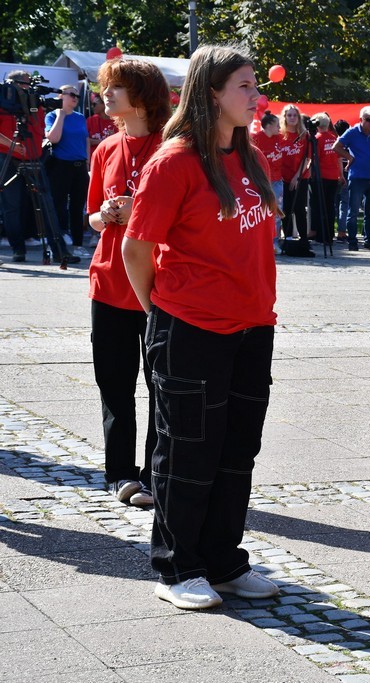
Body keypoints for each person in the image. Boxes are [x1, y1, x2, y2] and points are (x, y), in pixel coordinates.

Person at [121, 44, 280, 610]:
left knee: (238, 450)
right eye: (244, 84)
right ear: (211, 91)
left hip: (252, 328)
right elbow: (135, 249)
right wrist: (158, 314)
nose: (255, 94)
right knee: (188, 451)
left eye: (254, 83)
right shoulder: (175, 161)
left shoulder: (249, 154)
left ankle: (223, 560)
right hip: (190, 329)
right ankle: (177, 566)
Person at [87, 57, 171, 509]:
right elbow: (92, 218)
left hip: (159, 284)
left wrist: (136, 205)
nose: (107, 94)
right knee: (115, 384)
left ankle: (156, 474)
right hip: (108, 283)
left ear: (142, 95)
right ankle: (119, 473)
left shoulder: (169, 148)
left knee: (162, 384)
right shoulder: (104, 149)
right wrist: (109, 214)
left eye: (116, 87)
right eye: (107, 86)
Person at [0, 70, 47, 263]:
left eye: (28, 83)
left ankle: (53, 247)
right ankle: (18, 248)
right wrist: (12, 145)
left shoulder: (34, 102)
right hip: (6, 156)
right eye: (22, 83)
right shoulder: (2, 102)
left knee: (40, 200)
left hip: (32, 156)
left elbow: (40, 129)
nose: (26, 87)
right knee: (12, 205)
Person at [45, 84, 90, 257]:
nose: (75, 98)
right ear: (60, 96)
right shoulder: (52, 115)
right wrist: (61, 115)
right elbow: (53, 138)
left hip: (79, 166)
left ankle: (78, 244)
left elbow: (85, 139)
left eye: (77, 96)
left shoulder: (80, 117)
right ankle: (56, 243)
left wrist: (87, 161)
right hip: (60, 166)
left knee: (78, 207)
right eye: (71, 94)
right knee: (58, 206)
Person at [338, 105, 370, 251]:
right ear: (361, 119)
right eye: (368, 120)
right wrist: (349, 157)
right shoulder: (351, 132)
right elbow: (336, 147)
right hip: (357, 177)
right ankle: (352, 241)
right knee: (353, 212)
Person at [279, 103, 314, 256]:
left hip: (300, 178)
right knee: (285, 210)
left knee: (300, 210)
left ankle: (303, 240)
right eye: (289, 115)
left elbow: (308, 159)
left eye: (295, 115)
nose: (292, 118)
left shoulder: (305, 135)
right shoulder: (279, 135)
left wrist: (296, 177)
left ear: (298, 118)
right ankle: (286, 240)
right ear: (285, 117)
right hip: (282, 179)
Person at [251, 111, 284, 252]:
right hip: (261, 182)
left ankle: (274, 243)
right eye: (277, 124)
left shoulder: (280, 138)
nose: (280, 128)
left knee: (276, 214)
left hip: (277, 181)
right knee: (260, 212)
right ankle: (259, 242)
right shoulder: (256, 138)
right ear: (269, 125)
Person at [310, 112, 340, 244]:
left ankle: (320, 235)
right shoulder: (334, 138)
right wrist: (341, 174)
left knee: (318, 206)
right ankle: (329, 235)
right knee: (330, 206)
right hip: (333, 176)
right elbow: (339, 158)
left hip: (321, 177)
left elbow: (314, 159)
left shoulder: (317, 139)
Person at [333, 119, 351, 240]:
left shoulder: (334, 142)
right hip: (345, 173)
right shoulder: (348, 142)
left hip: (334, 174)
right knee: (344, 203)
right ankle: (341, 231)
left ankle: (334, 229)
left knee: (334, 203)